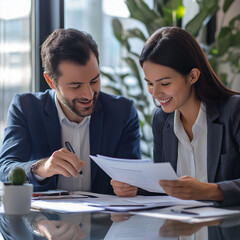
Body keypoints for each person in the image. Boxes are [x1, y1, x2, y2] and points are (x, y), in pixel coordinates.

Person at [0, 28, 140, 194]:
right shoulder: (26, 108)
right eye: (76, 86)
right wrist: (42, 167)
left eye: (94, 81)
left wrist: (130, 187)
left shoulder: (122, 112)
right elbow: (5, 170)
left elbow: (134, 177)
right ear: (51, 82)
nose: (88, 94)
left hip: (105, 218)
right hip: (43, 219)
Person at [111, 26, 240, 206]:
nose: (155, 93)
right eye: (149, 83)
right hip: (179, 229)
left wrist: (209, 190)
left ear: (193, 76)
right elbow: (165, 187)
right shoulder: (162, 120)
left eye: (164, 83)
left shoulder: (234, 111)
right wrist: (134, 186)